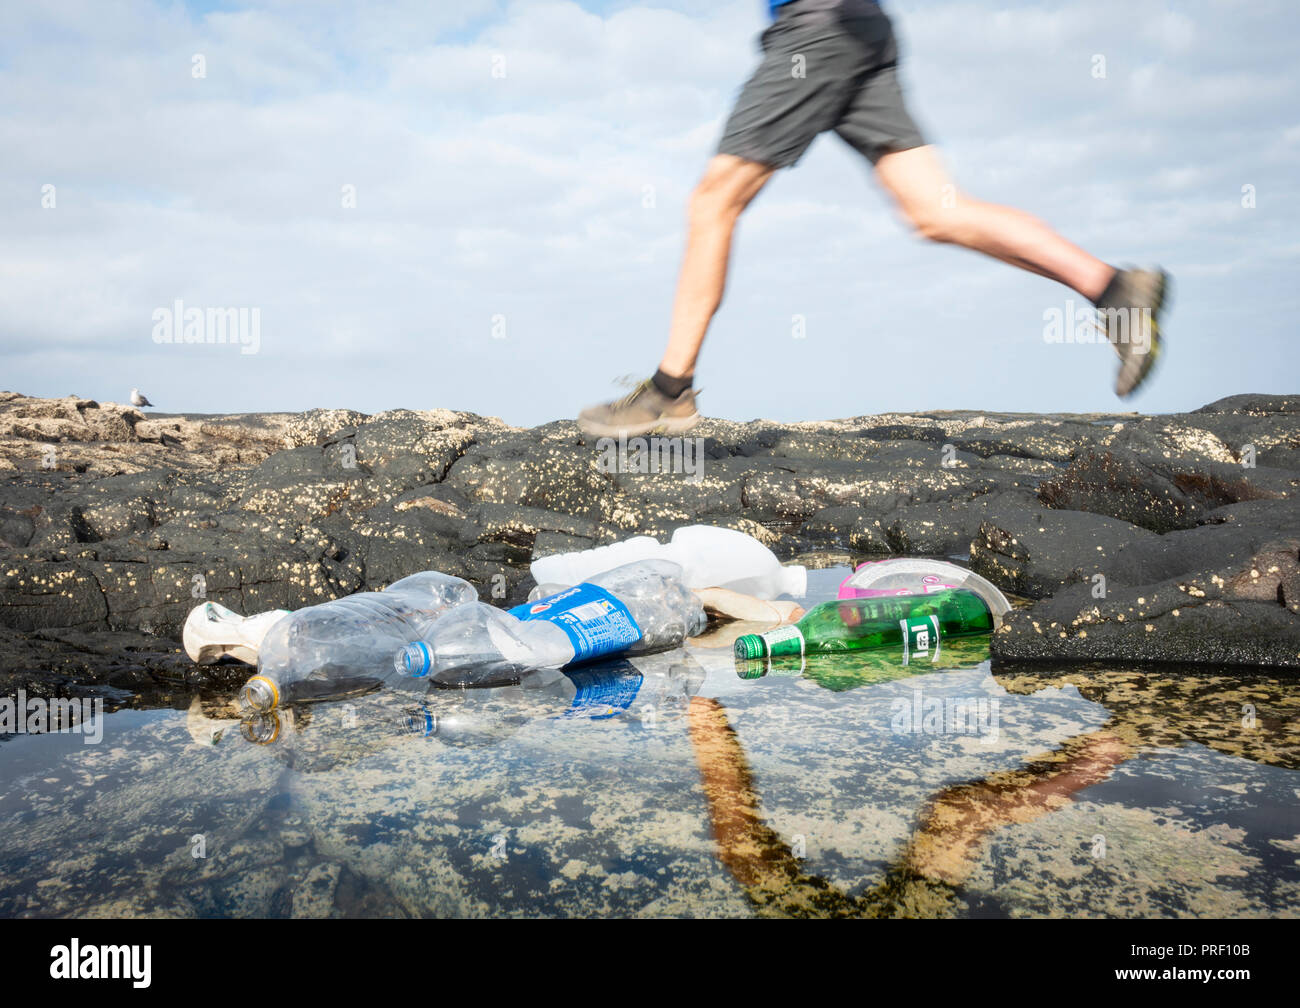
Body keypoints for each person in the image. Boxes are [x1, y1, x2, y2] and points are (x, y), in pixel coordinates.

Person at [578, 0, 1169, 438]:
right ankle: (1113, 287)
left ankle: (669, 393)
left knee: (714, 200)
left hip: (819, 29)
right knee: (934, 211)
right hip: (860, 27)